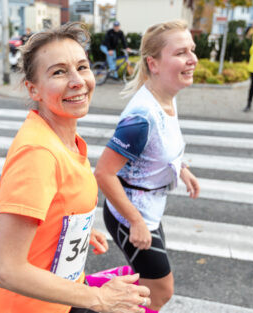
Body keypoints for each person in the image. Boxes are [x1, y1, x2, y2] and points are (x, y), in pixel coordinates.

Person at [0, 22, 151, 313]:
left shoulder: (66, 139)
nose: (78, 81)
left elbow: (53, 204)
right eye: (59, 72)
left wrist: (73, 229)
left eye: (82, 67)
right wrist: (100, 299)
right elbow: (6, 269)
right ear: (33, 89)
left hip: (62, 300)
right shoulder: (38, 152)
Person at [94, 20, 200, 313]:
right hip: (130, 214)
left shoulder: (167, 96)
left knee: (149, 283)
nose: (192, 59)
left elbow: (162, 147)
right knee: (162, 292)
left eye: (192, 50)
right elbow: (103, 173)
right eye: (181, 53)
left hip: (150, 208)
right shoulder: (141, 117)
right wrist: (136, 221)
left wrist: (182, 169)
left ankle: (92, 287)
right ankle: (91, 295)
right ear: (153, 63)